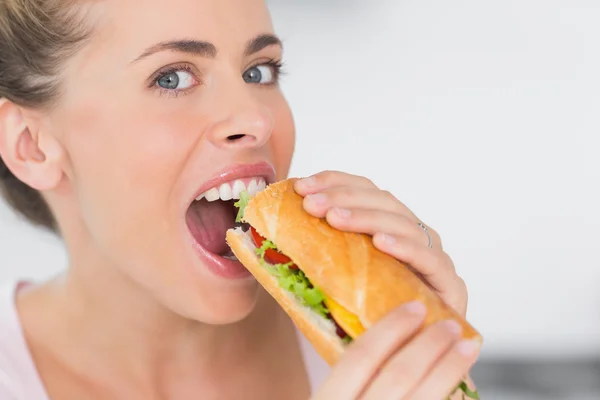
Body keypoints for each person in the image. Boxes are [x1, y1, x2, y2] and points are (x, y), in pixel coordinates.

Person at [0, 0, 481, 399]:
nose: (256, 119)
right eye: (171, 77)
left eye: (259, 71)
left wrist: (440, 370)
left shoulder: (370, 339)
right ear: (31, 145)